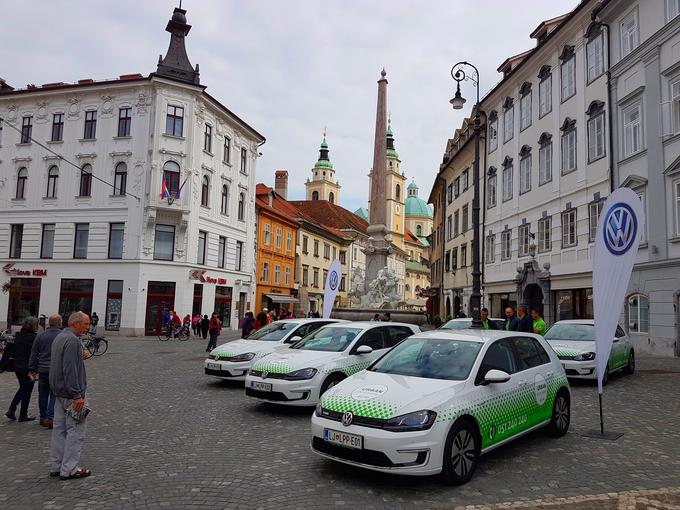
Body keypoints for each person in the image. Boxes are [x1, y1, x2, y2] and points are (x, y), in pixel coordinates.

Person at [29, 314, 62, 428]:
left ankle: (43, 417)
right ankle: (50, 417)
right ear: (59, 323)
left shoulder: (41, 336)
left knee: (42, 394)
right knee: (54, 394)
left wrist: (32, 368)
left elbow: (34, 353)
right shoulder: (62, 336)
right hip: (56, 370)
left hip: (42, 369)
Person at [6, 316, 38, 422]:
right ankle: (23, 415)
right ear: (33, 326)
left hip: (17, 366)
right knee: (27, 390)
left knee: (23, 388)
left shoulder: (18, 336)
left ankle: (11, 409)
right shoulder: (34, 338)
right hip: (29, 368)